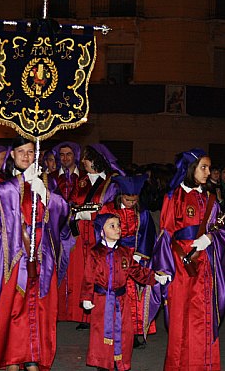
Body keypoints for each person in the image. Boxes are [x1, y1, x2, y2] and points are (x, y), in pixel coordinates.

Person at [0, 137, 75, 371]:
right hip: (16, 254)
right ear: (12, 155)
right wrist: (23, 181)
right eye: (20, 151)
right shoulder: (5, 183)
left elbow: (63, 210)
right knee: (16, 308)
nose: (26, 156)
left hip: (42, 253)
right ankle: (14, 358)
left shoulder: (48, 182)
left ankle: (34, 354)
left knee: (39, 307)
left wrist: (45, 194)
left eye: (30, 151)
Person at [160, 149, 225, 370]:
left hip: (205, 265)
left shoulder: (211, 199)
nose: (209, 172)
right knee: (181, 318)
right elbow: (165, 235)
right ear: (191, 169)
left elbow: (222, 230)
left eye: (209, 167)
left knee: (204, 317)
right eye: (204, 167)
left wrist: (210, 238)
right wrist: (164, 268)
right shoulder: (173, 197)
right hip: (181, 266)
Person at [81, 213, 169, 371]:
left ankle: (119, 363)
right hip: (102, 301)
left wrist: (155, 277)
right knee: (101, 333)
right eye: (112, 226)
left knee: (124, 333)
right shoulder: (95, 253)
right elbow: (88, 277)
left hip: (121, 302)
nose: (117, 229)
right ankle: (103, 364)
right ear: (102, 231)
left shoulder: (125, 253)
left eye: (118, 225)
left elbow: (138, 272)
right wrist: (87, 297)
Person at [61, 144, 123, 327]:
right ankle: (82, 315)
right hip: (81, 234)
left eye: (86, 158)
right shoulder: (82, 181)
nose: (82, 162)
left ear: (96, 159)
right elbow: (71, 202)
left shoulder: (112, 182)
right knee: (82, 272)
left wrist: (94, 214)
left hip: (99, 233)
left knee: (100, 272)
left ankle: (99, 313)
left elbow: (113, 207)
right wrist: (75, 212)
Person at [99, 174, 161, 348]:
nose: (131, 203)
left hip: (134, 258)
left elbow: (148, 235)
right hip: (114, 256)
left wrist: (140, 254)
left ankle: (132, 334)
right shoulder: (108, 210)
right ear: (121, 196)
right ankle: (112, 332)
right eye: (127, 199)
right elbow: (101, 232)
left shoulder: (142, 213)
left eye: (134, 200)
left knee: (134, 298)